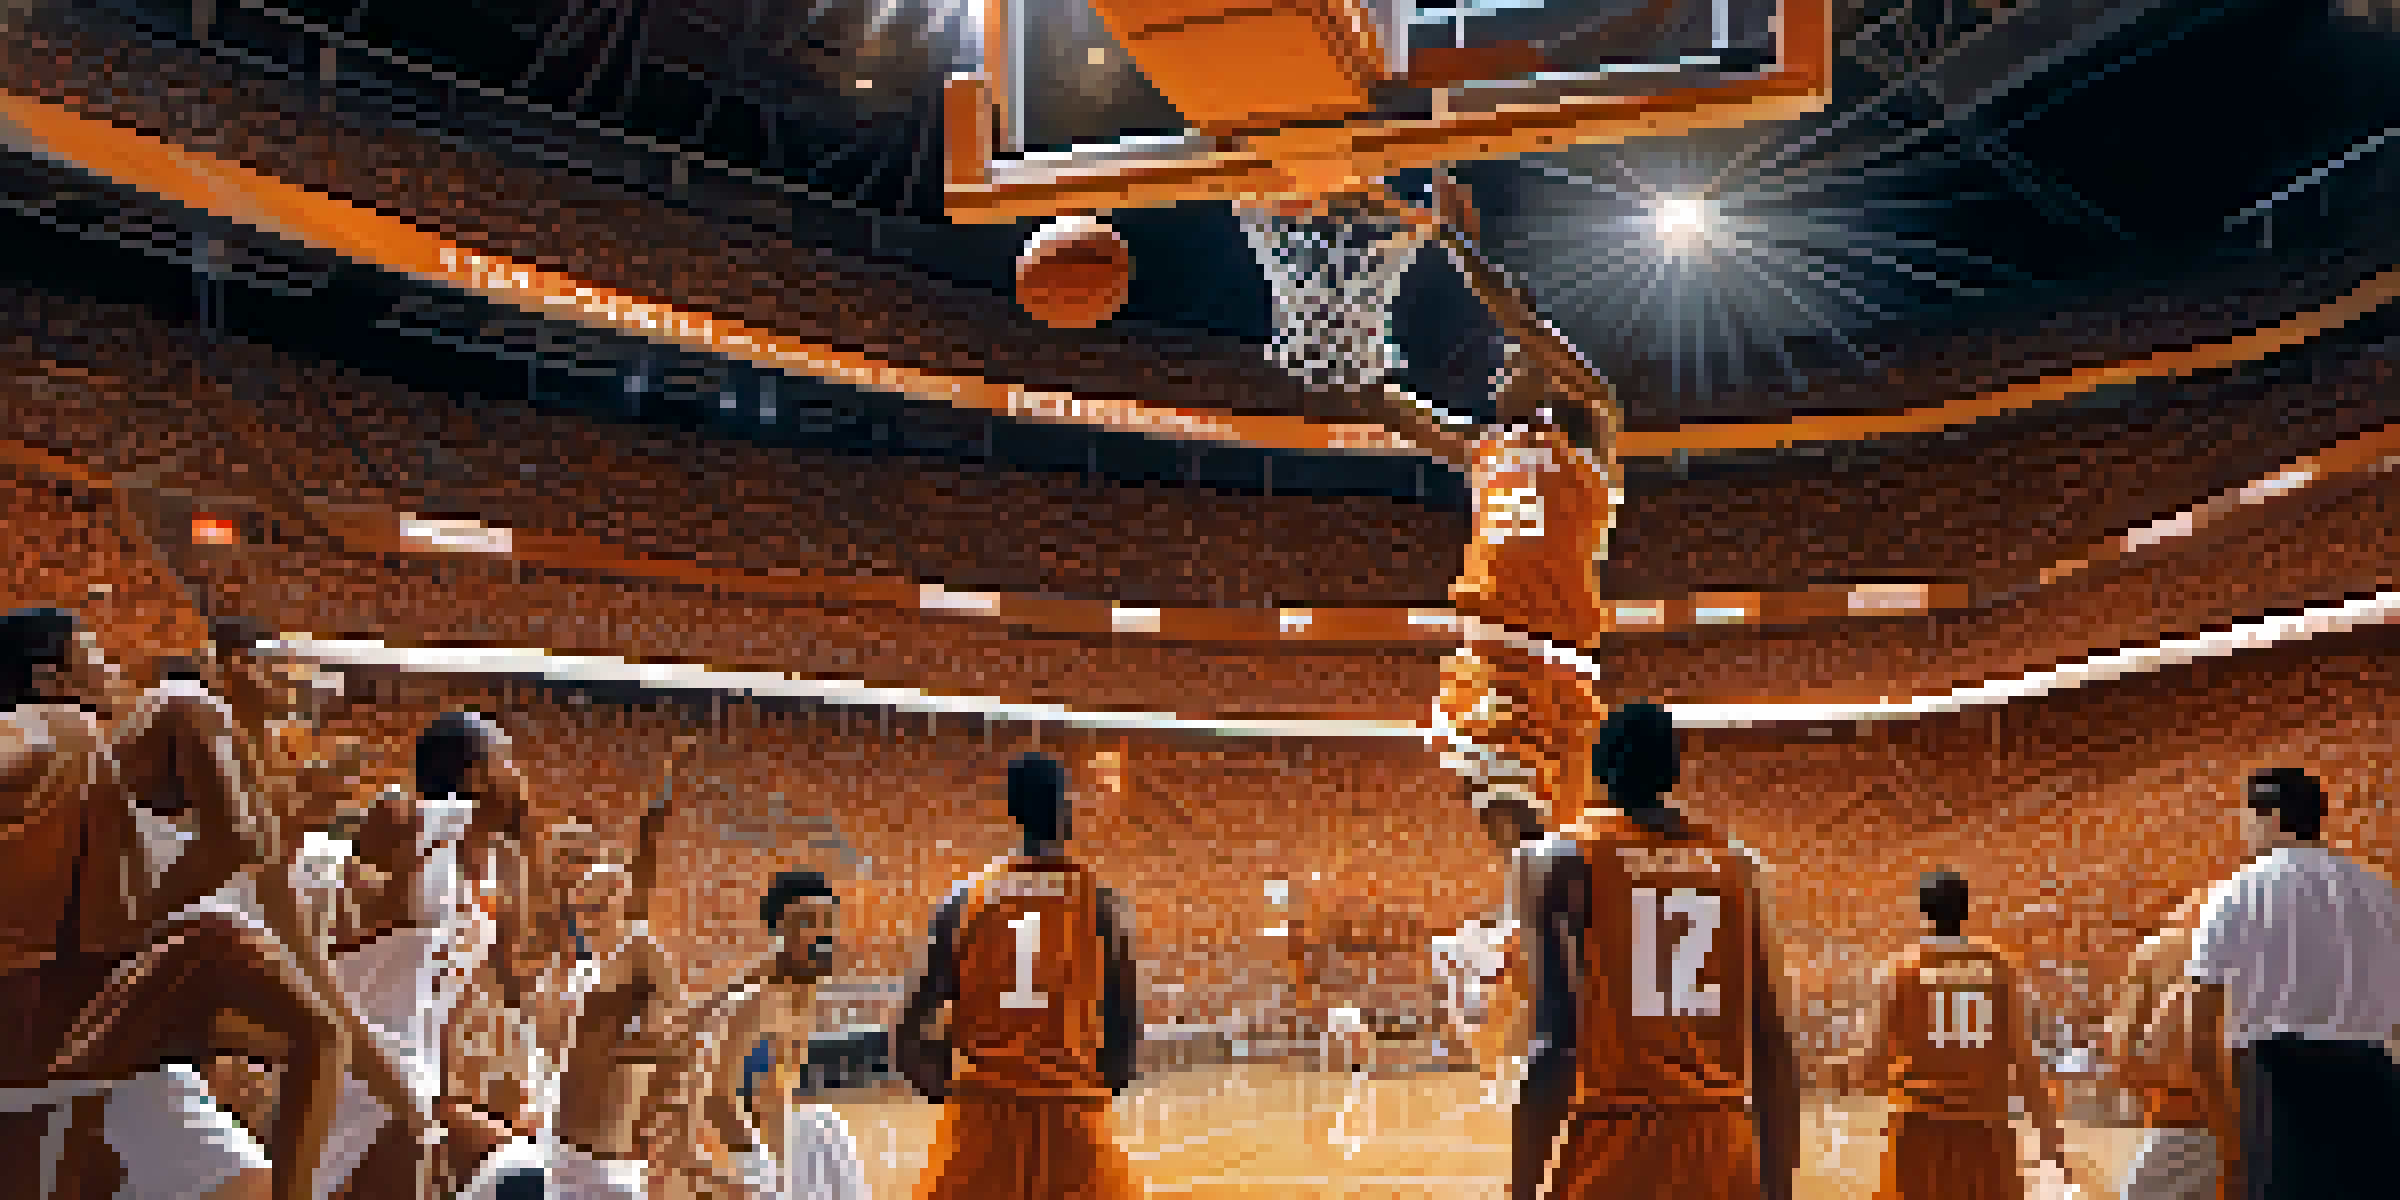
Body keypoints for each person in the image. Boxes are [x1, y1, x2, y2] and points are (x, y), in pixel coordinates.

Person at [1334, 174, 1623, 827]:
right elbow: (1392, 409)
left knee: (1562, 838)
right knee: (1499, 797)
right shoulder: (1482, 449)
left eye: (1512, 362)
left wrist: (1461, 245)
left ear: (1550, 378)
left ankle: (1538, 921)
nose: (1497, 371)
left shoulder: (1590, 424)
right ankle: (1521, 921)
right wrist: (1347, 329)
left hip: (1568, 666)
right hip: (1494, 655)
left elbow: (1521, 321)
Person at [1518, 701, 1801, 1200]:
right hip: (1722, 1146)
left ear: (1599, 771)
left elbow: (1554, 1045)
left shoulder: (1557, 859)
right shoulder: (1739, 866)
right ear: (1673, 770)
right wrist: (1776, 1188)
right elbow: (1773, 1045)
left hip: (1616, 1143)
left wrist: (1522, 1188)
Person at [896, 753, 1143, 1200]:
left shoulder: (964, 901)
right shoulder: (1100, 903)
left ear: (1014, 813)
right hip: (1075, 1124)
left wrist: (956, 1097)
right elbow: (1127, 1036)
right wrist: (1084, 1090)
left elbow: (908, 1037)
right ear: (1066, 809)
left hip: (980, 1124)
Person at [2185, 767, 2400, 1199]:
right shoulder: (2383, 895)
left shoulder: (2236, 892)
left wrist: (2227, 1135)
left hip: (2280, 1085)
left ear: (2271, 816)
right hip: (2375, 1084)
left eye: (2247, 816)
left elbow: (2200, 1031)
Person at [635, 869, 866, 1200]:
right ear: (778, 930)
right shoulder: (757, 1001)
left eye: (826, 919)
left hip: (785, 1139)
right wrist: (757, 1167)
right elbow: (715, 1096)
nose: (819, 931)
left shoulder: (804, 985)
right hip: (738, 1149)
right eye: (805, 921)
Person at [1846, 871, 2069, 1200]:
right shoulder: (1998, 969)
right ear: (1965, 912)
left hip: (1919, 1133)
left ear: (1923, 913)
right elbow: (2024, 1058)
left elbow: (1870, 1065)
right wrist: (2049, 1137)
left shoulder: (1902, 971)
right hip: (1987, 1134)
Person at [2106, 891, 2238, 1200]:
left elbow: (2125, 1063)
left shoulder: (2158, 953)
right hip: (2263, 1130)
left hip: (2183, 1125)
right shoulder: (2265, 950)